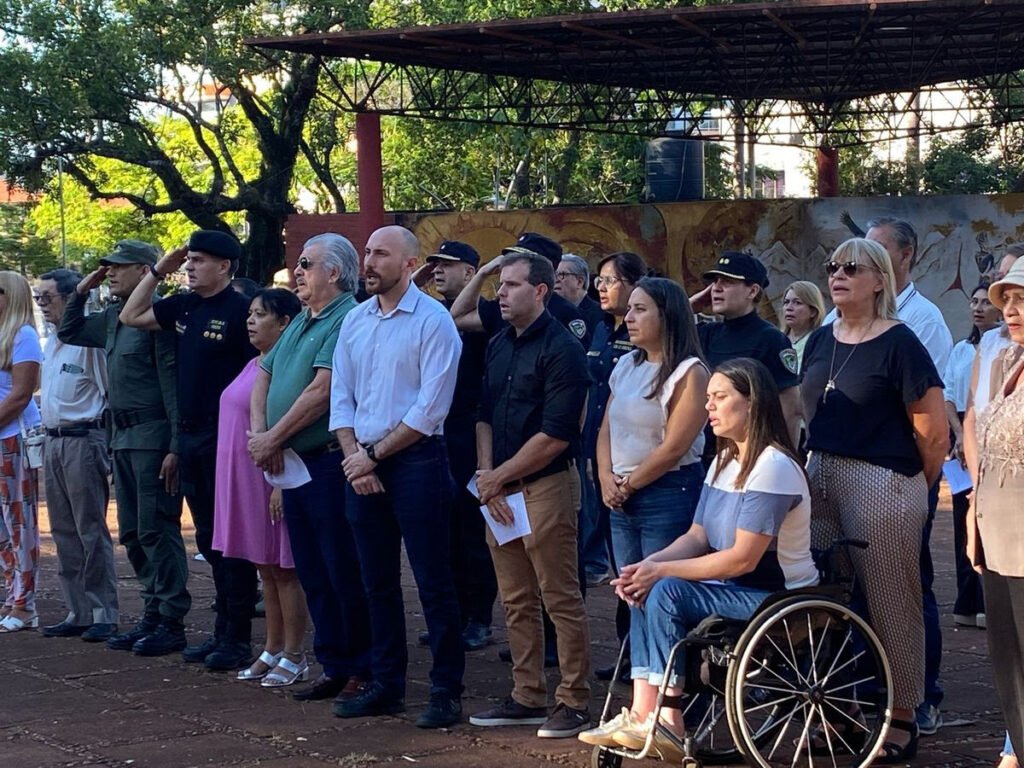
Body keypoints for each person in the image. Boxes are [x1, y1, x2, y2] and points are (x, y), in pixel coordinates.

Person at [579, 358, 818, 760]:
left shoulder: (774, 466)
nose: (709, 406)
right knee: (644, 586)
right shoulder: (723, 462)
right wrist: (644, 569)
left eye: (720, 397)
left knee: (667, 589)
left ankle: (668, 719)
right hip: (733, 588)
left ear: (752, 403)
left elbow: (742, 560)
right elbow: (697, 536)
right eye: (708, 397)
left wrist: (661, 570)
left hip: (776, 595)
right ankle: (642, 712)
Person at [800, 238, 947, 762]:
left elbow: (933, 432)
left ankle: (903, 713)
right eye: (832, 266)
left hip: (883, 479)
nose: (838, 275)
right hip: (821, 474)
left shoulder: (900, 342)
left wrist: (912, 486)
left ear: (879, 279)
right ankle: (840, 707)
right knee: (825, 596)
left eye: (851, 268)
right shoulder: (820, 339)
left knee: (890, 598)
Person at [330, 225, 465, 729]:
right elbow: (341, 396)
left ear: (410, 265)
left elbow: (431, 408)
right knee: (376, 583)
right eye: (367, 252)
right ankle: (386, 685)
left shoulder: (434, 321)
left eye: (381, 254)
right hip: (361, 459)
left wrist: (374, 456)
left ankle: (446, 690)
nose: (369, 262)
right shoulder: (356, 320)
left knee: (434, 581)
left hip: (416, 461)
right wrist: (355, 457)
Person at [468, 250, 592, 739]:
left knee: (559, 596)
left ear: (540, 290)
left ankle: (574, 699)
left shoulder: (564, 349)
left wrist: (498, 477)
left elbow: (557, 434)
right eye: (500, 285)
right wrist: (487, 476)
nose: (500, 293)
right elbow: (483, 414)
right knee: (516, 598)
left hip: (545, 485)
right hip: (499, 489)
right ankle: (527, 694)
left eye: (512, 285)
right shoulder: (499, 342)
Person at [121, 229, 258, 670]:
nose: (191, 267)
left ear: (224, 266)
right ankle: (221, 631)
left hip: (229, 437)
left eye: (199, 260)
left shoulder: (240, 311)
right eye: (189, 259)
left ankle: (237, 636)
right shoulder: (184, 306)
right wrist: (159, 270)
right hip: (192, 437)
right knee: (208, 539)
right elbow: (131, 315)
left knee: (232, 541)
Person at [247, 234, 371, 702]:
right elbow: (264, 375)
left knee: (342, 568)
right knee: (313, 570)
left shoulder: (346, 318)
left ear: (333, 273)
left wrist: (272, 439)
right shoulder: (303, 318)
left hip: (327, 462)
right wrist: (262, 436)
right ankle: (333, 662)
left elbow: (323, 391)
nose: (296, 272)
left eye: (305, 264)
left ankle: (361, 665)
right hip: (292, 463)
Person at [57, 241, 190, 656]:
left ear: (145, 270)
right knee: (131, 532)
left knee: (156, 528)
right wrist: (81, 291)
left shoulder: (157, 317)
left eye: (119, 266)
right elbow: (69, 331)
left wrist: (175, 444)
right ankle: (152, 611)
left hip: (153, 437)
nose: (110, 272)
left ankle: (171, 618)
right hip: (122, 438)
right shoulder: (114, 317)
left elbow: (171, 383)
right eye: (107, 267)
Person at [596, 276, 709, 694]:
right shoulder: (627, 364)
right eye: (629, 309)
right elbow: (605, 427)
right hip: (621, 495)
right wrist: (605, 477)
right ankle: (643, 695)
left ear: (668, 315)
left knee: (661, 593)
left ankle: (671, 697)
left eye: (640, 309)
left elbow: (675, 446)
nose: (629, 317)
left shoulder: (689, 372)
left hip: (667, 493)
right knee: (632, 594)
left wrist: (627, 485)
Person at [210, 287, 307, 687]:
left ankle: (295, 653)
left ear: (284, 323)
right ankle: (272, 646)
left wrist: (281, 485)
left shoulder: (288, 367)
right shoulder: (256, 363)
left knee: (285, 569)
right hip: (241, 476)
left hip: (270, 477)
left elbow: (290, 425)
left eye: (261, 314)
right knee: (264, 567)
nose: (250, 321)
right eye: (250, 313)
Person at [413, 240, 497, 652]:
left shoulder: (483, 314)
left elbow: (456, 320)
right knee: (442, 532)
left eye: (447, 265)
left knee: (471, 531)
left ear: (470, 272)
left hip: (469, 429)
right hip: (435, 431)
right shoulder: (426, 311)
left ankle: (479, 617)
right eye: (434, 265)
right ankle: (454, 616)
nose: (438, 271)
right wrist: (414, 279)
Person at [36, 268, 118, 642]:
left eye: (47, 297)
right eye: (38, 298)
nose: (42, 305)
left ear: (70, 299)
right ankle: (78, 610)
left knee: (89, 528)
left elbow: (108, 393)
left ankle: (103, 612)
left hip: (83, 439)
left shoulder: (88, 342)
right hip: (53, 441)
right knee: (62, 530)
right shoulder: (52, 341)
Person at [969, 258, 1024, 766]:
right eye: (1007, 299)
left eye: (1022, 299)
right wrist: (973, 515)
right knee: (1009, 665)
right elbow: (982, 441)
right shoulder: (1006, 360)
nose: (1011, 309)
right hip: (997, 530)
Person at [691, 251, 802, 458]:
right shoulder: (707, 334)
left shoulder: (771, 339)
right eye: (715, 282)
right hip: (704, 453)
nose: (716, 288)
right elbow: (657, 335)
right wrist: (690, 306)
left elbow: (789, 408)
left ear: (752, 291)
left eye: (727, 281)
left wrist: (784, 458)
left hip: (748, 454)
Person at [582, 251, 647, 591]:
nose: (602, 288)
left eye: (611, 281)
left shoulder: (645, 335)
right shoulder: (601, 327)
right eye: (600, 280)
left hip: (633, 454)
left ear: (636, 285)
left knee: (639, 560)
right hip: (597, 447)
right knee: (609, 540)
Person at [943, 283, 1000, 630]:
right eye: (974, 302)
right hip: (962, 435)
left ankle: (991, 600)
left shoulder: (1001, 349)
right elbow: (949, 394)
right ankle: (967, 600)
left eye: (985, 303)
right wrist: (959, 433)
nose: (978, 308)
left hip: (993, 432)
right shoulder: (961, 349)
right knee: (963, 519)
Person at [449, 232, 591, 349]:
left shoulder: (565, 312)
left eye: (521, 259)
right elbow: (455, 319)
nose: (501, 292)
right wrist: (482, 273)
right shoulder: (503, 306)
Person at [0, 272, 43, 634]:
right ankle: (12, 593)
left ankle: (24, 603)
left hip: (13, 437)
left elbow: (21, 395)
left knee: (19, 522)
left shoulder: (23, 335)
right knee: (2, 526)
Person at [555, 253, 607, 335]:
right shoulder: (551, 311)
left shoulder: (601, 315)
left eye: (562, 274)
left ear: (579, 282)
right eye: (554, 274)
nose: (556, 280)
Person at [779, 280, 826, 369]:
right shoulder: (776, 340)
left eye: (797, 302)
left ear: (813, 311)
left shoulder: (820, 343)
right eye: (786, 302)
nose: (789, 308)